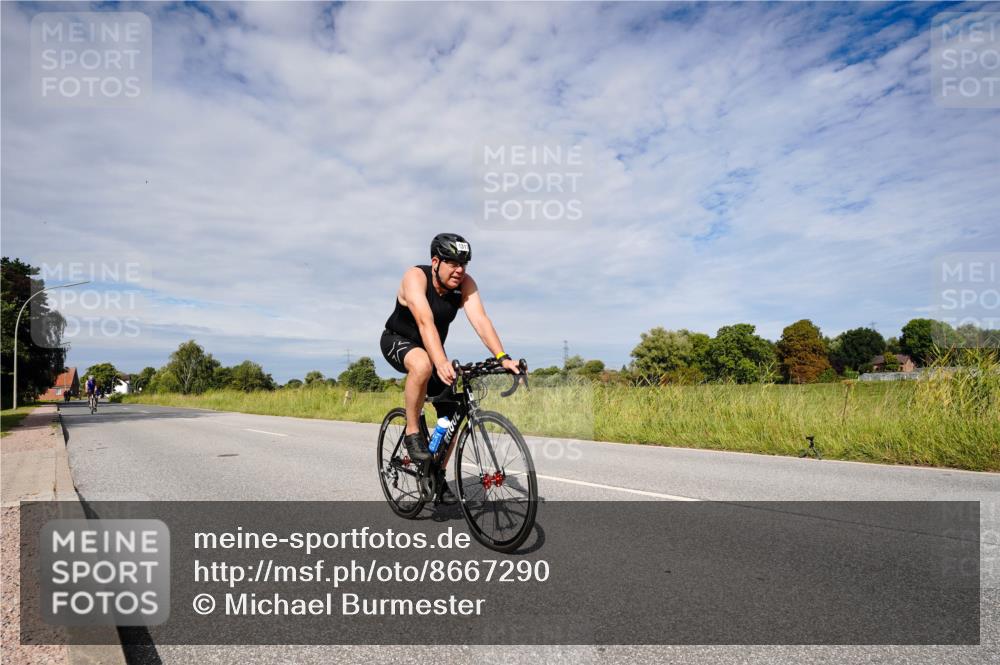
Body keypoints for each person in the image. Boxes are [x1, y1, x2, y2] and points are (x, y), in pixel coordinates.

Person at [380, 233, 519, 504]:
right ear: (435, 261)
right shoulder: (415, 277)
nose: (460, 270)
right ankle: (411, 432)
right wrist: (441, 362)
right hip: (398, 340)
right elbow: (425, 323)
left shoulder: (465, 284)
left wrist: (502, 357)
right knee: (422, 364)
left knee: (453, 412)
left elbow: (480, 320)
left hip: (433, 350)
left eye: (464, 264)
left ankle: (436, 475)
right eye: (453, 263)